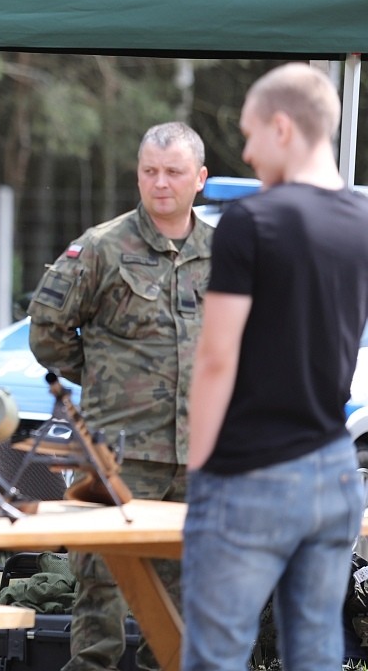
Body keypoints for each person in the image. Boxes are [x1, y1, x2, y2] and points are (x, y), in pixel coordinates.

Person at [183, 63, 368, 671]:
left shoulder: (251, 222)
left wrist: (201, 468)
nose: (246, 150)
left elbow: (216, 357)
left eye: (251, 133)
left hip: (250, 471)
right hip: (336, 470)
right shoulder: (362, 223)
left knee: (217, 656)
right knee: (315, 655)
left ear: (283, 127)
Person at [28, 122, 213, 671]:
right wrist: (106, 380)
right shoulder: (103, 247)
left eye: (174, 172)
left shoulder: (227, 254)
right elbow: (47, 331)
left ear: (199, 179)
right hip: (118, 452)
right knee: (100, 592)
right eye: (149, 171)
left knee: (183, 597)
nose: (160, 184)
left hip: (199, 454)